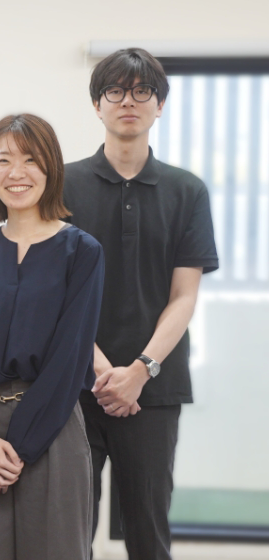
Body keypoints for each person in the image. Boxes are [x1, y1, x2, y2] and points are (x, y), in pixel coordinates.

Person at [64, 48, 219, 559]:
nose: (128, 101)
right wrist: (102, 371)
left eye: (141, 91)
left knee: (149, 533)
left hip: (154, 390)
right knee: (67, 532)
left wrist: (140, 370)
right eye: (115, 91)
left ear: (160, 105)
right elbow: (56, 294)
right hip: (73, 387)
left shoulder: (187, 191)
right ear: (97, 104)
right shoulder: (61, 185)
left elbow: (184, 296)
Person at [0, 114, 104, 560]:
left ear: (51, 167)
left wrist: (16, 449)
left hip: (53, 426)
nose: (16, 172)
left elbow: (70, 359)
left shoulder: (82, 251)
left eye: (31, 159)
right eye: (3, 160)